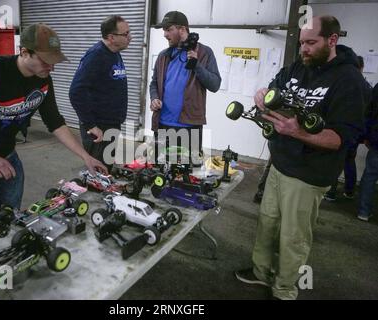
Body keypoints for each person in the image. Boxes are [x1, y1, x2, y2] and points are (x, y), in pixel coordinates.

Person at [234, 16, 368, 300]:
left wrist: (299, 133)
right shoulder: (299, 65)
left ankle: (284, 289)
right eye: (301, 43)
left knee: (293, 236)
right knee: (268, 223)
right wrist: (262, 94)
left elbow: (341, 139)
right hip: (281, 164)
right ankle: (261, 273)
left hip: (309, 174)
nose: (303, 49)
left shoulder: (349, 81)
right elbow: (276, 87)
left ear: (332, 40)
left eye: (310, 42)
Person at [0, 23, 107, 233]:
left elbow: (54, 122)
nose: (51, 67)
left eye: (54, 61)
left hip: (6, 153)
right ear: (24, 52)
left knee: (11, 216)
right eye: (45, 61)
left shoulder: (43, 79)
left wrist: (85, 156)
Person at [150, 11, 221, 166]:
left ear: (182, 30)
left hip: (190, 127)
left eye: (169, 29)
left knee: (188, 174)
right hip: (163, 125)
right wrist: (154, 98)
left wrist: (196, 64)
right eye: (164, 30)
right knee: (160, 171)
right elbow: (154, 83)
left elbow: (215, 84)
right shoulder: (164, 56)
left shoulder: (204, 53)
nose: (165, 34)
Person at [69, 15, 131, 169]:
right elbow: (76, 91)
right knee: (97, 171)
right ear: (111, 37)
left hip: (111, 124)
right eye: (126, 34)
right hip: (99, 128)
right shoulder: (96, 56)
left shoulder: (114, 53)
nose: (130, 37)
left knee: (105, 168)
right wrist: (90, 125)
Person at [324, 56, 372, 201]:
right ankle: (349, 190)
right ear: (362, 67)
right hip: (357, 132)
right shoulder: (367, 86)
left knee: (334, 160)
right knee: (349, 160)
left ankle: (331, 192)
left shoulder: (346, 84)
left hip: (343, 129)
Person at [358, 83, 378, 221]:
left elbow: (369, 111)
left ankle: (363, 211)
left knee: (370, 175)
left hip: (376, 138)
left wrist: (366, 135)